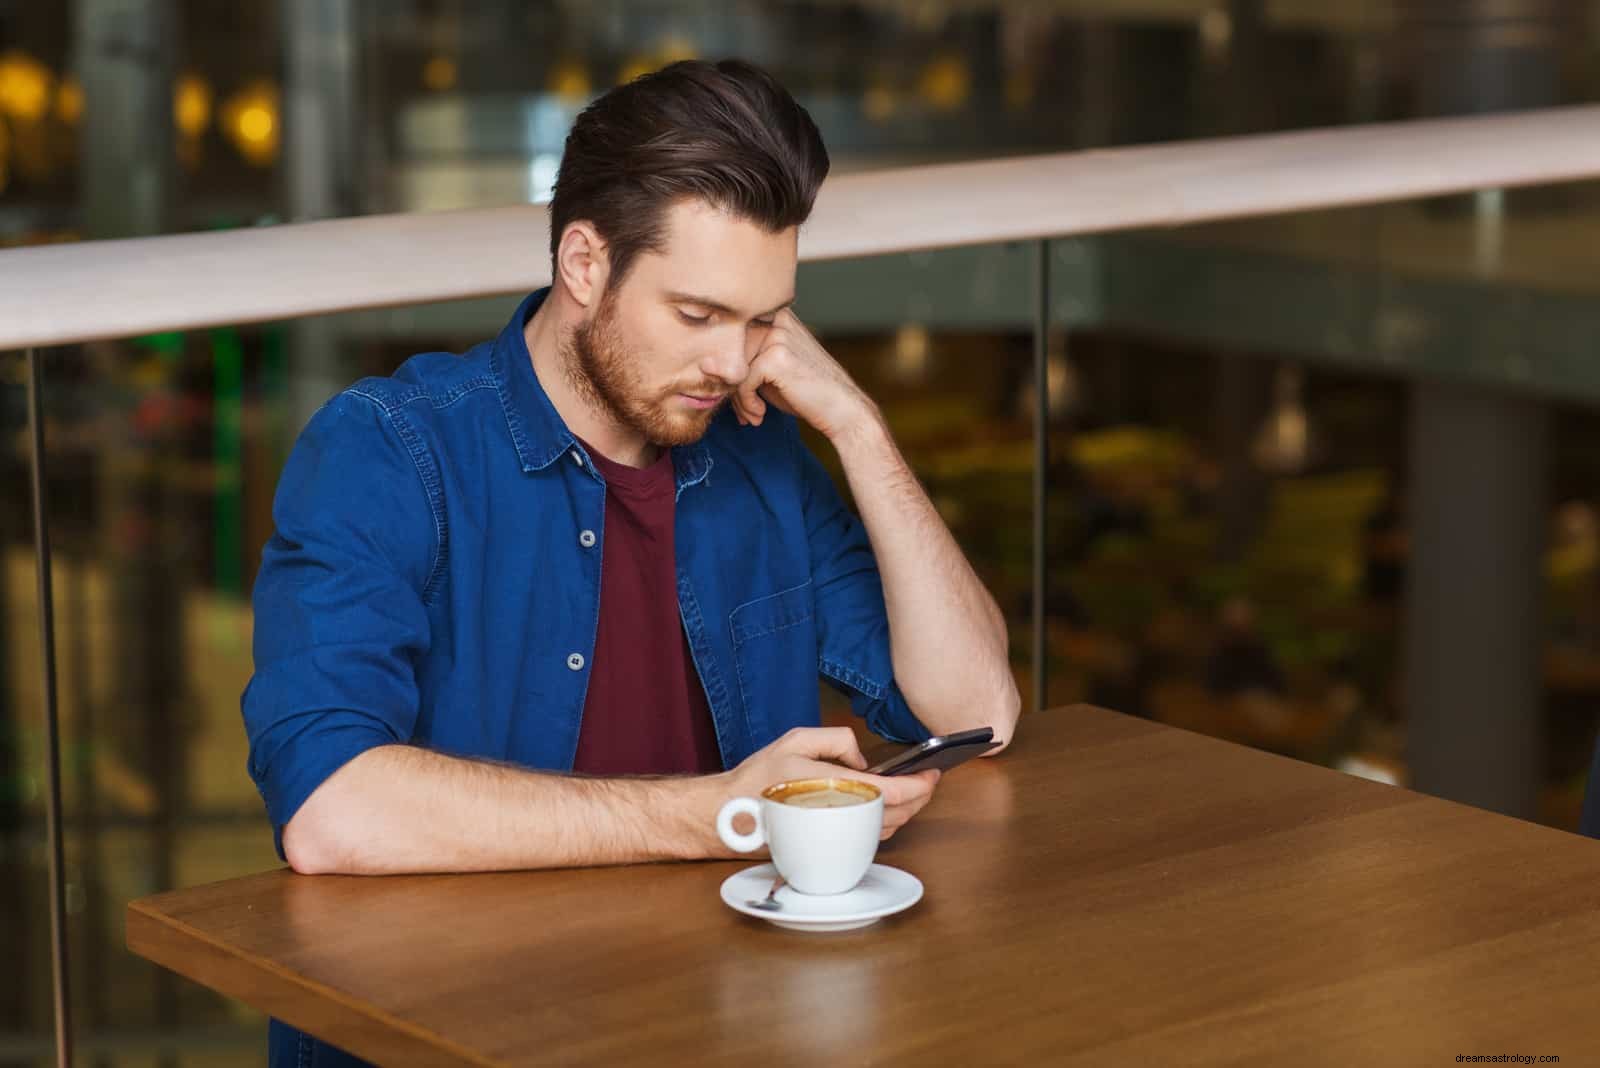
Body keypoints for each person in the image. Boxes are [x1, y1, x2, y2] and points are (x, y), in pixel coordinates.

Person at [243, 59, 1020, 1066]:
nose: (733, 362)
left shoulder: (760, 457)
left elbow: (977, 714)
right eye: (696, 316)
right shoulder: (389, 451)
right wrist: (719, 811)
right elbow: (329, 811)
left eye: (763, 320)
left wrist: (856, 424)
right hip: (451, 1033)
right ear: (584, 264)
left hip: (711, 1023)